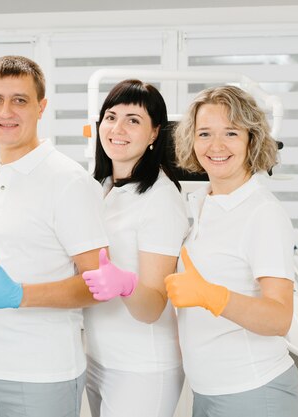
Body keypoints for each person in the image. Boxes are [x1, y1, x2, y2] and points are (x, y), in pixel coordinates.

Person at [0, 55, 108, 417]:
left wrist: (21, 295)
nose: (6, 111)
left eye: (20, 100)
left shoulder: (69, 182)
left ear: (41, 107)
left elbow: (98, 286)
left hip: (40, 374)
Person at [167, 85, 298, 417]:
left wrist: (212, 296)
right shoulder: (203, 204)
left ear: (251, 139)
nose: (216, 146)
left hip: (253, 391)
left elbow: (279, 317)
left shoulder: (262, 213)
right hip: (209, 391)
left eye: (230, 132)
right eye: (205, 133)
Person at [80, 79, 189, 417]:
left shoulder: (161, 199)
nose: (118, 128)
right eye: (111, 117)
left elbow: (153, 306)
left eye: (134, 120)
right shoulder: (101, 186)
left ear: (155, 133)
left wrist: (126, 285)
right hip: (97, 357)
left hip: (142, 366)